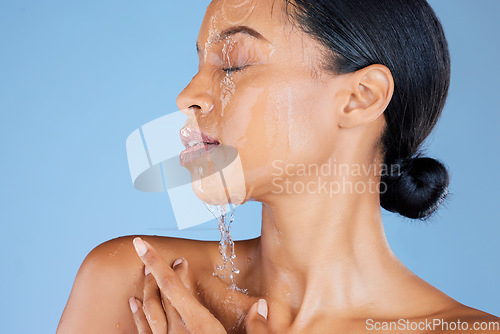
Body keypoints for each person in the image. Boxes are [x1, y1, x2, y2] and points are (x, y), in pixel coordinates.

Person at [57, 0, 499, 333]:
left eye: (232, 63)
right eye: (199, 63)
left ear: (360, 96)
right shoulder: (134, 283)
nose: (187, 95)